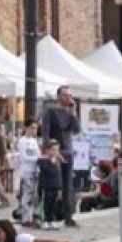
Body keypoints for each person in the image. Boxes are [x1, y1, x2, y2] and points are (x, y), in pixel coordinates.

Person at [41, 85, 80, 227]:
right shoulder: (50, 112)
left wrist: (74, 112)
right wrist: (48, 152)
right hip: (54, 153)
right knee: (53, 186)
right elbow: (45, 134)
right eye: (65, 95)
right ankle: (48, 217)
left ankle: (68, 216)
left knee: (68, 185)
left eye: (70, 95)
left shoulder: (70, 113)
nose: (68, 98)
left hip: (68, 153)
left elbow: (76, 130)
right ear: (58, 96)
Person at [16, 120, 41, 227]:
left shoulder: (34, 141)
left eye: (35, 128)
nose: (34, 130)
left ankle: (31, 216)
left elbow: (38, 153)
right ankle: (26, 217)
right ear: (26, 128)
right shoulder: (22, 141)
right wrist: (36, 158)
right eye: (32, 128)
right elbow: (24, 156)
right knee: (27, 193)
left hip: (34, 169)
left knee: (33, 195)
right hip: (26, 170)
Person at [37, 140, 63, 229]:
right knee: (45, 204)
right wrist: (51, 161)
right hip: (46, 187)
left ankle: (51, 220)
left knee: (53, 205)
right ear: (47, 150)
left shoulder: (57, 162)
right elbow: (48, 171)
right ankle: (44, 220)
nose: (55, 152)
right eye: (53, 150)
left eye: (56, 150)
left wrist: (60, 188)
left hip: (55, 186)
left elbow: (58, 174)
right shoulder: (42, 160)